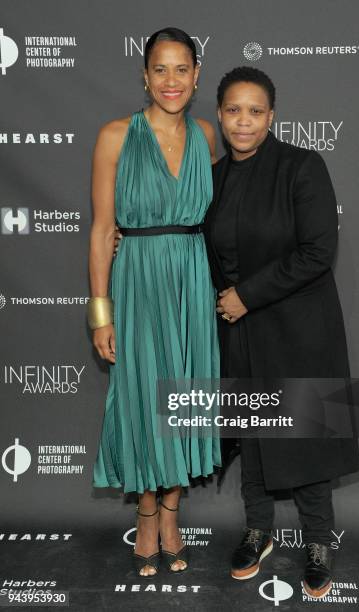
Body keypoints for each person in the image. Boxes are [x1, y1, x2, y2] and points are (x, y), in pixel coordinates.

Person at [203, 67, 359, 597]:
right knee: (252, 429)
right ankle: (258, 529)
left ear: (271, 116)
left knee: (306, 432)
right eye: (232, 110)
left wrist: (247, 295)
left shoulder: (301, 166)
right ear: (220, 115)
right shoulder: (216, 176)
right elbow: (201, 249)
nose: (242, 122)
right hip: (241, 331)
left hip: (298, 326)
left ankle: (318, 539)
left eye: (254, 111)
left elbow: (319, 250)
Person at [87, 27, 221, 579]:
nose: (171, 80)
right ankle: (146, 515)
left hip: (192, 276)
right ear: (144, 76)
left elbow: (219, 218)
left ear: (196, 77)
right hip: (138, 279)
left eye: (181, 69)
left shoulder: (209, 137)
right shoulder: (116, 136)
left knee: (183, 397)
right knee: (145, 398)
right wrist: (101, 311)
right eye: (160, 69)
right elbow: (100, 229)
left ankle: (172, 512)